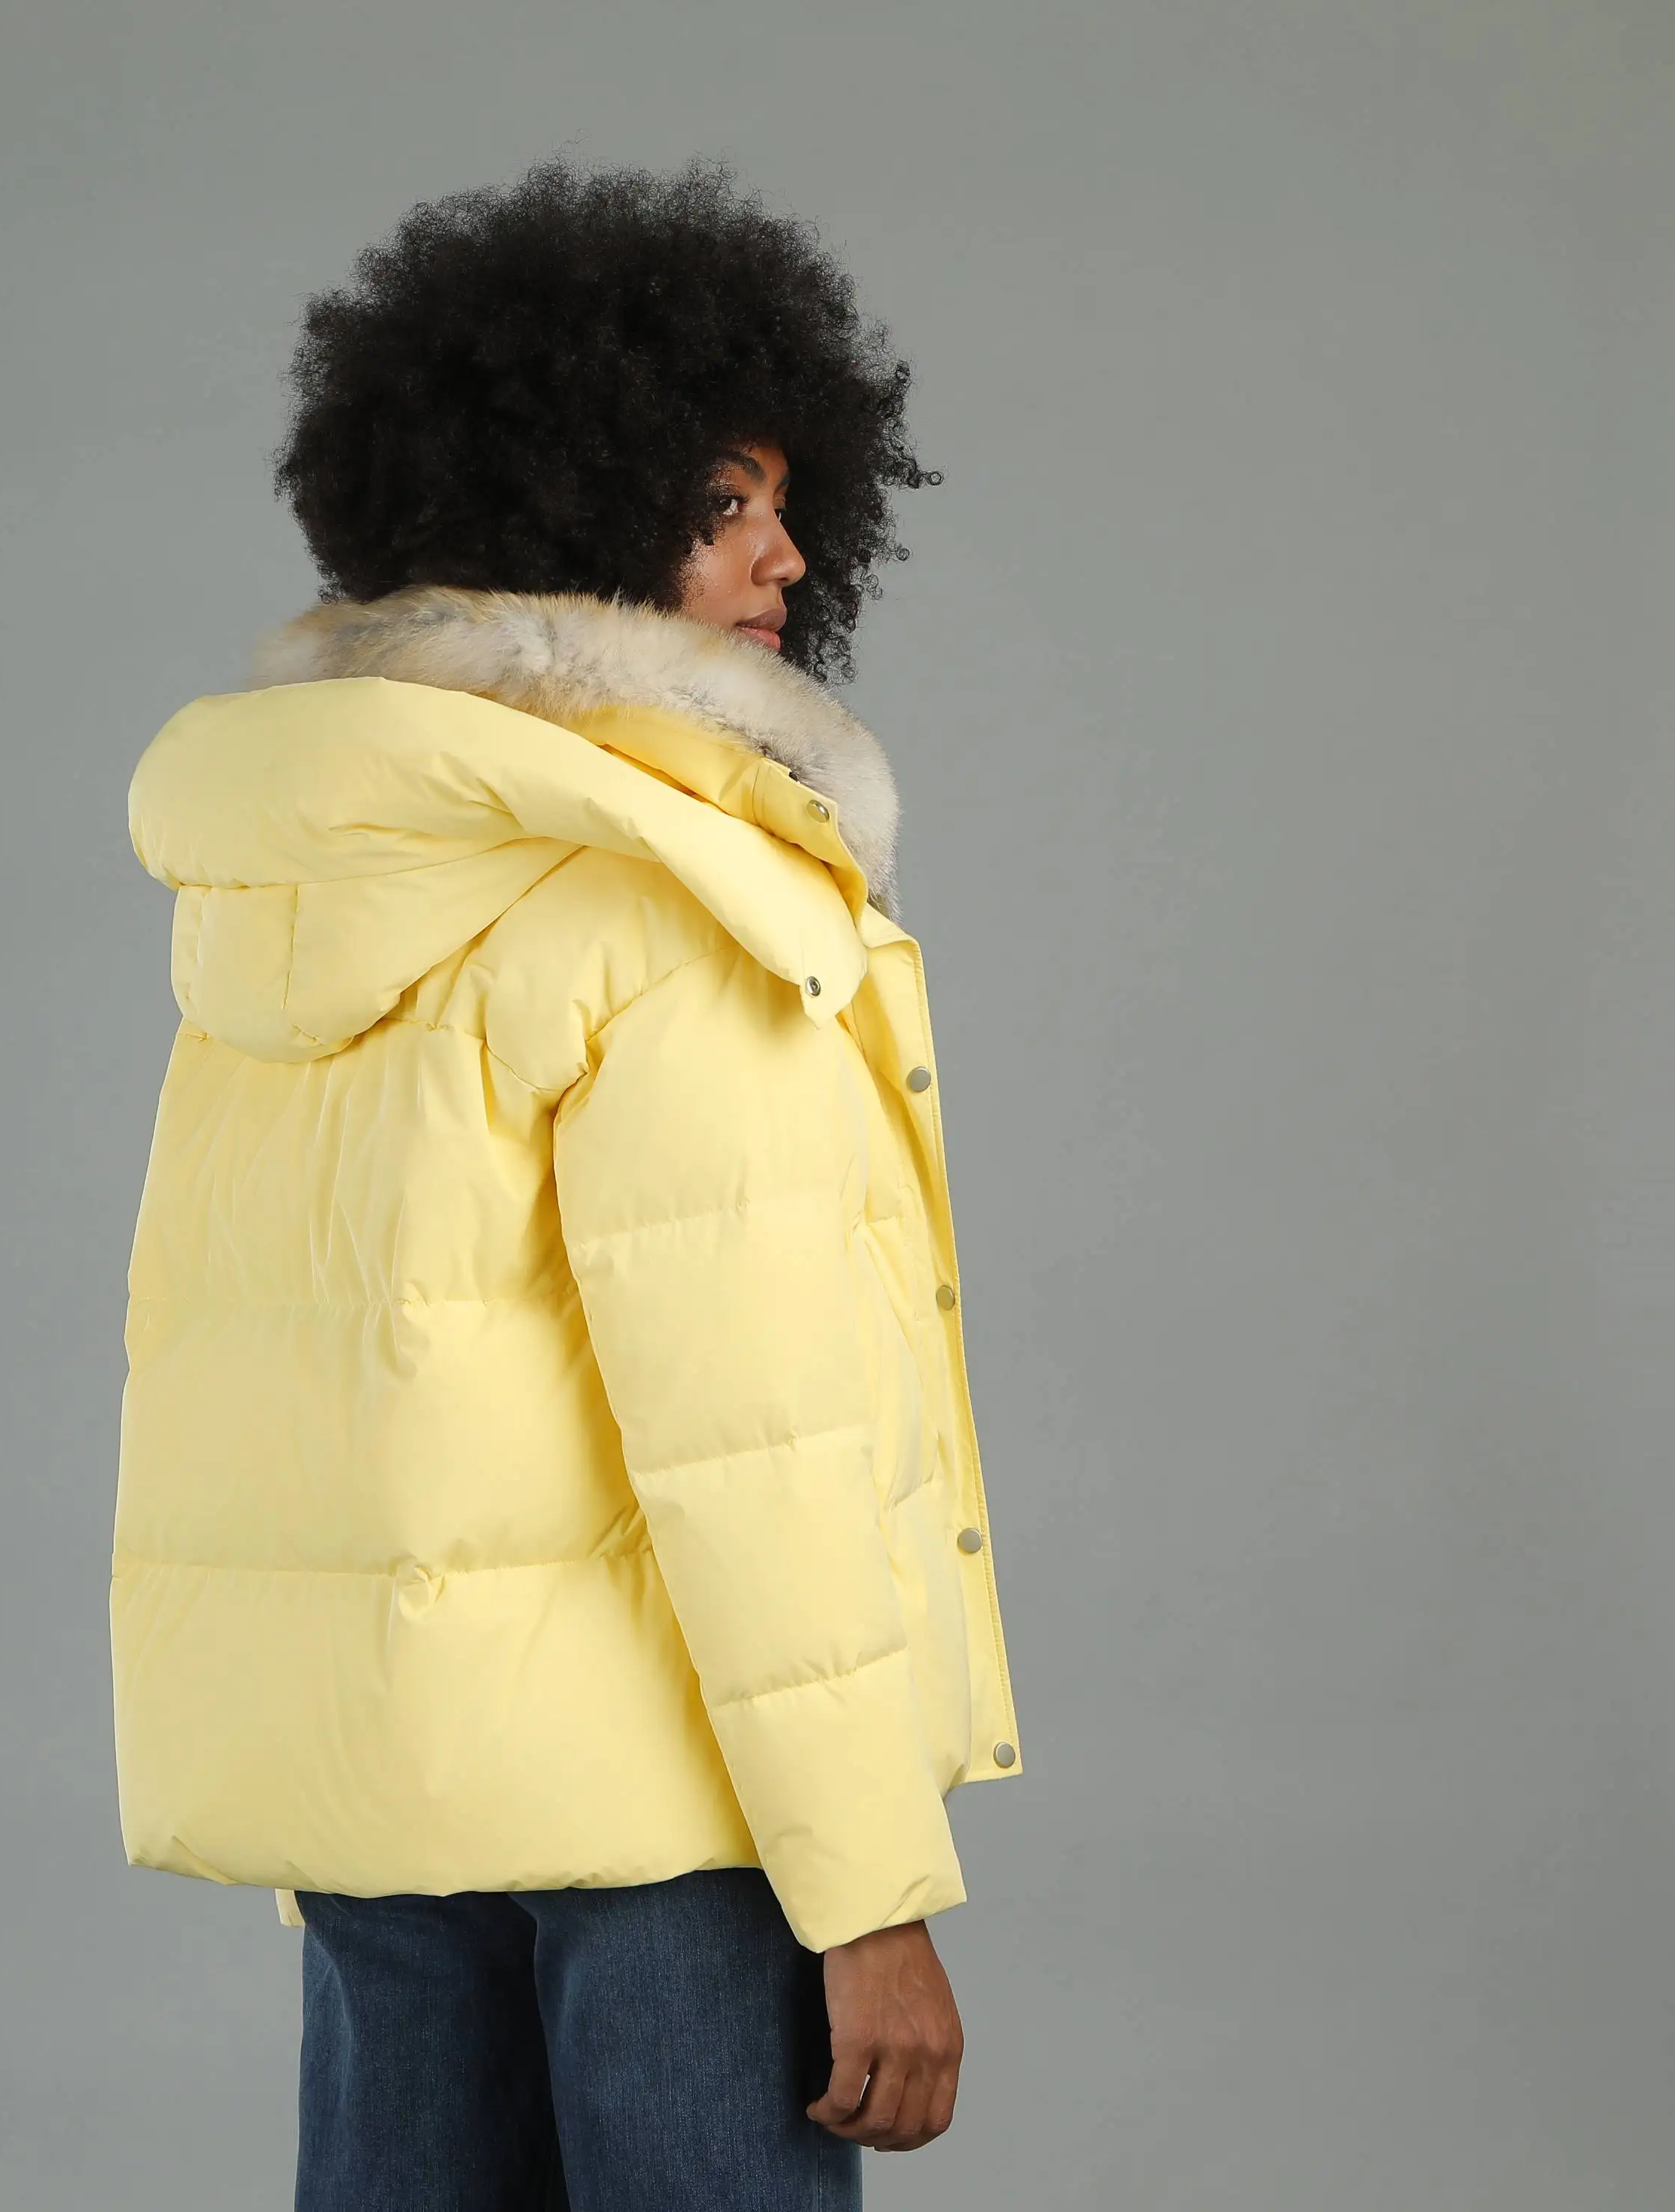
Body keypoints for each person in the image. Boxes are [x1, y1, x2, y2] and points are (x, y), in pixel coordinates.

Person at [112, 161, 1022, 2209]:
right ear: (570, 507)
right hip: (668, 1825)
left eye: (788, 499)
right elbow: (751, 1429)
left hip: (385, 1804)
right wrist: (867, 1893)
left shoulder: (302, 892)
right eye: (721, 502)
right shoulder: (664, 903)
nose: (787, 552)